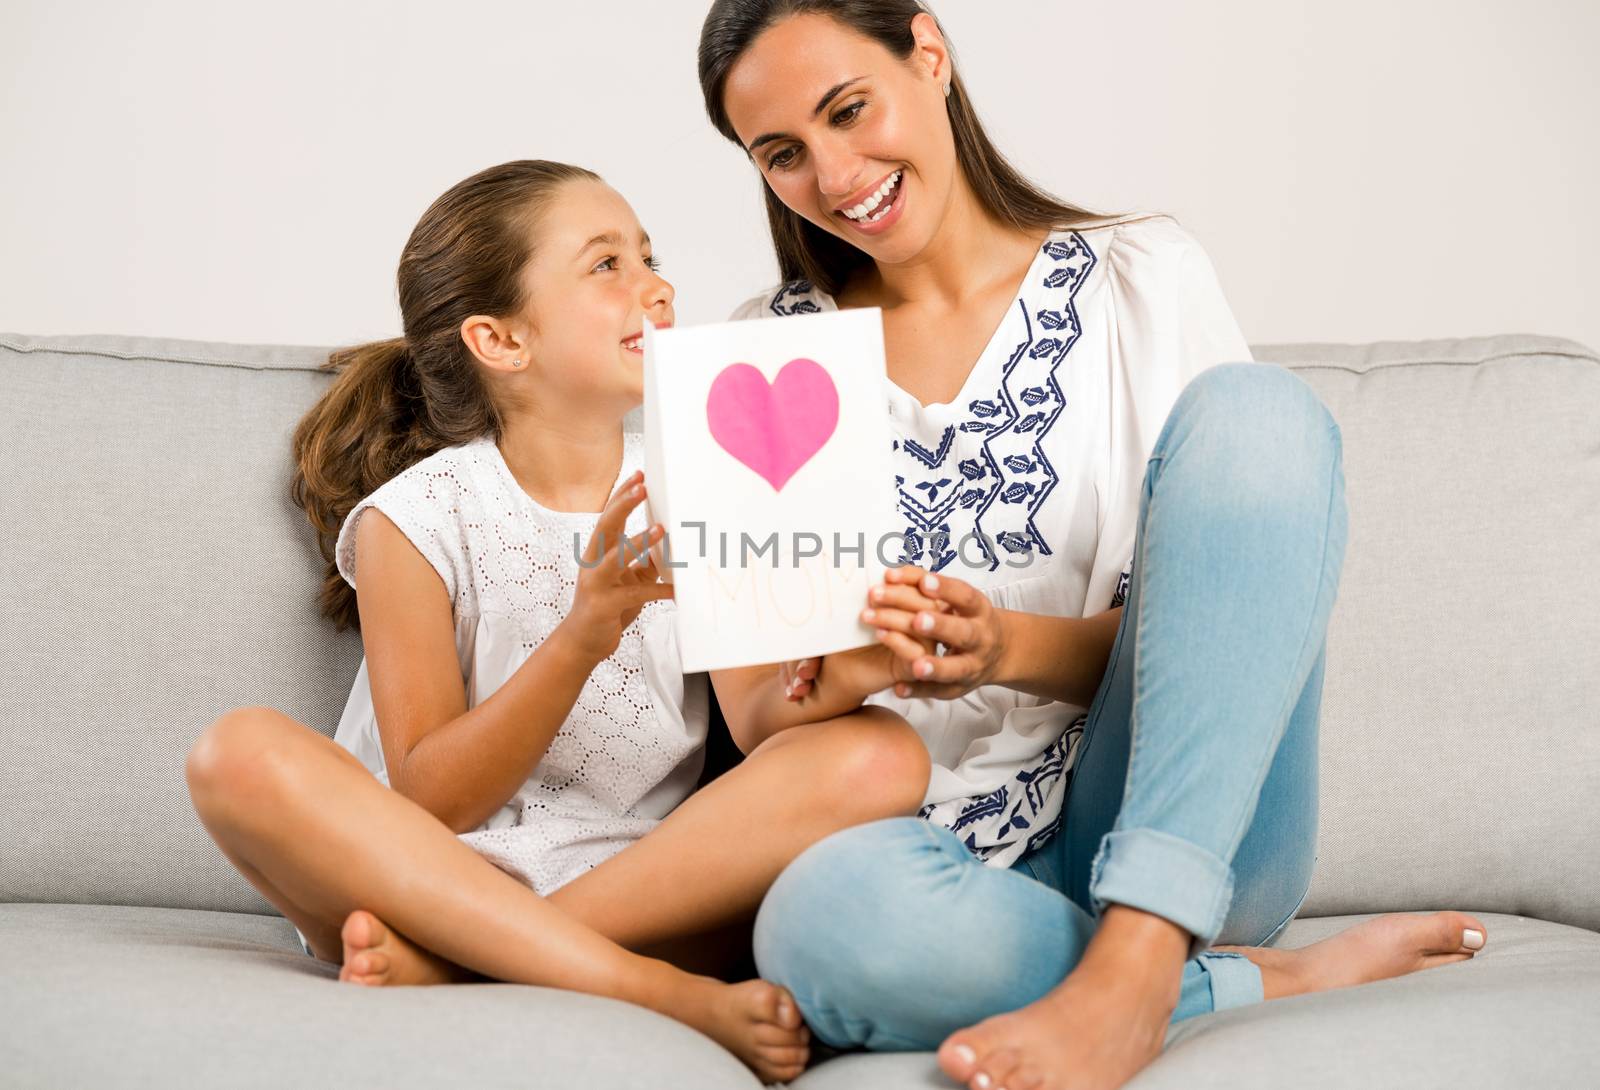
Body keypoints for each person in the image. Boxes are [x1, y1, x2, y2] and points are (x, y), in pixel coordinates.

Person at [697, 4, 1491, 1089]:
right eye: (782, 154)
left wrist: (1004, 647)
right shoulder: (755, 363)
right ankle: (1228, 981)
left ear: (927, 53)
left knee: (1260, 419)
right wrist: (873, 666)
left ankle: (1140, 947)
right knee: (819, 922)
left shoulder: (1140, 278)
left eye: (848, 110)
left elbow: (1228, 623)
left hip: (1185, 823)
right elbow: (755, 717)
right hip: (923, 867)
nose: (834, 177)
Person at [183, 159, 936, 1085]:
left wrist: (858, 668)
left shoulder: (701, 479)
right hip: (428, 881)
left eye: (649, 257)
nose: (655, 285)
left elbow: (760, 723)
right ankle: (646, 991)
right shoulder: (418, 518)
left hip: (643, 888)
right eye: (606, 264)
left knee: (882, 753)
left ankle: (476, 969)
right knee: (239, 755)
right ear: (501, 340)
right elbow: (429, 799)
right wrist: (586, 633)